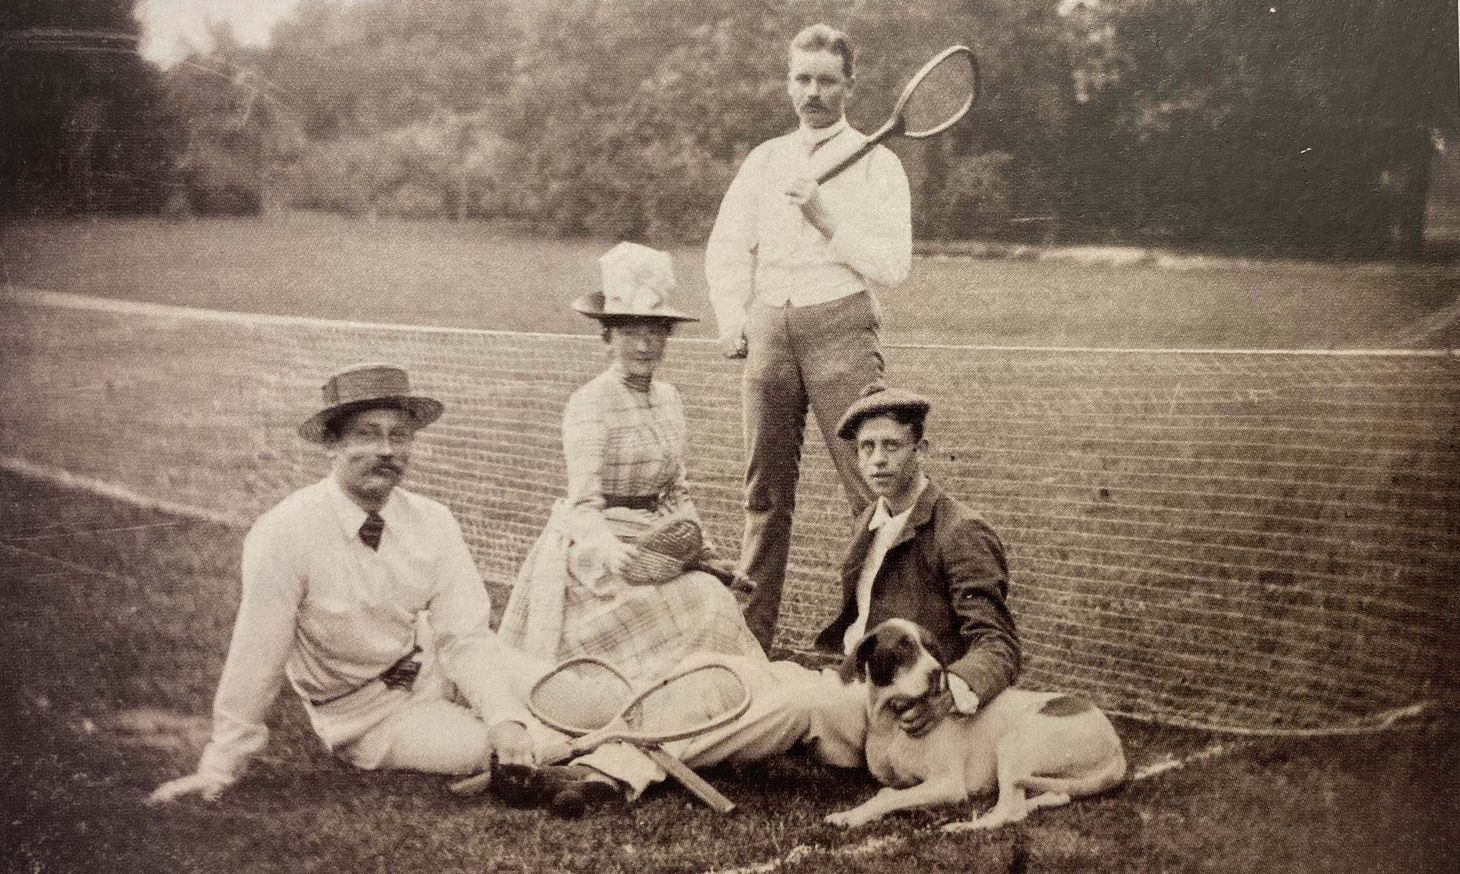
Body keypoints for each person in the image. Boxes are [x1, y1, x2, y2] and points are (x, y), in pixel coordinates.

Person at [500, 384, 1019, 811]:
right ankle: (586, 756)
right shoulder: (873, 519)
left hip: (902, 712)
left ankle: (608, 774)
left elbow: (998, 644)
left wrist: (948, 693)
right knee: (717, 670)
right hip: (854, 684)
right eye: (866, 448)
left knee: (789, 704)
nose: (878, 461)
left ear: (920, 449)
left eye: (893, 445)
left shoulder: (958, 531)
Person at [149, 363, 548, 803]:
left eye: (399, 436)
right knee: (534, 747)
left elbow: (466, 637)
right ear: (332, 444)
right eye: (366, 434)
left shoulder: (433, 521)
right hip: (369, 717)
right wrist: (219, 767)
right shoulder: (284, 533)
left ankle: (601, 759)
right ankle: (605, 765)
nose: (386, 450)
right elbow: (256, 658)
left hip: (436, 667)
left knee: (580, 701)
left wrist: (504, 715)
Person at [705, 22, 913, 651]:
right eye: (803, 78)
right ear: (788, 82)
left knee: (869, 487)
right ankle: (750, 642)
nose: (814, 92)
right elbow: (727, 245)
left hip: (840, 324)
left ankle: (879, 641)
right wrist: (732, 318)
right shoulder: (765, 160)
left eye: (827, 80)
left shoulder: (880, 163)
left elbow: (893, 266)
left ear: (849, 84)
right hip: (770, 328)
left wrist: (827, 222)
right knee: (764, 495)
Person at [497, 242, 764, 685]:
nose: (644, 344)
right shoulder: (590, 403)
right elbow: (583, 504)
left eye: (655, 332)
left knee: (713, 594)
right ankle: (631, 697)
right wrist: (612, 554)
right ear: (607, 338)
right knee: (692, 606)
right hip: (597, 551)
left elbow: (677, 492)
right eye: (629, 332)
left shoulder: (670, 400)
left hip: (656, 544)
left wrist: (707, 555)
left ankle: (706, 701)